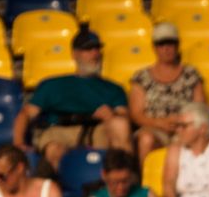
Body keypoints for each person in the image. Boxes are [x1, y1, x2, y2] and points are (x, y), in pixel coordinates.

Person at [12, 26, 132, 171]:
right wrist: (18, 143)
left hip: (96, 130)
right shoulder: (52, 84)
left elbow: (124, 118)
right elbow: (26, 114)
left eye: (97, 49)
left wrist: (111, 116)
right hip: (59, 130)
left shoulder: (114, 88)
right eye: (88, 50)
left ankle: (123, 178)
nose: (95, 54)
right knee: (55, 150)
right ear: (75, 54)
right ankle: (62, 190)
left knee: (118, 125)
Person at [128, 22, 207, 165]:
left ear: (177, 45)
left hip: (184, 128)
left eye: (171, 43)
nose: (166, 48)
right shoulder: (142, 77)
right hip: (155, 129)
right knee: (146, 139)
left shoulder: (191, 74)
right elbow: (136, 113)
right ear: (154, 47)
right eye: (161, 44)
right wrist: (159, 123)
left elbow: (200, 108)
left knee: (195, 137)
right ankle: (146, 182)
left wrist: (181, 122)